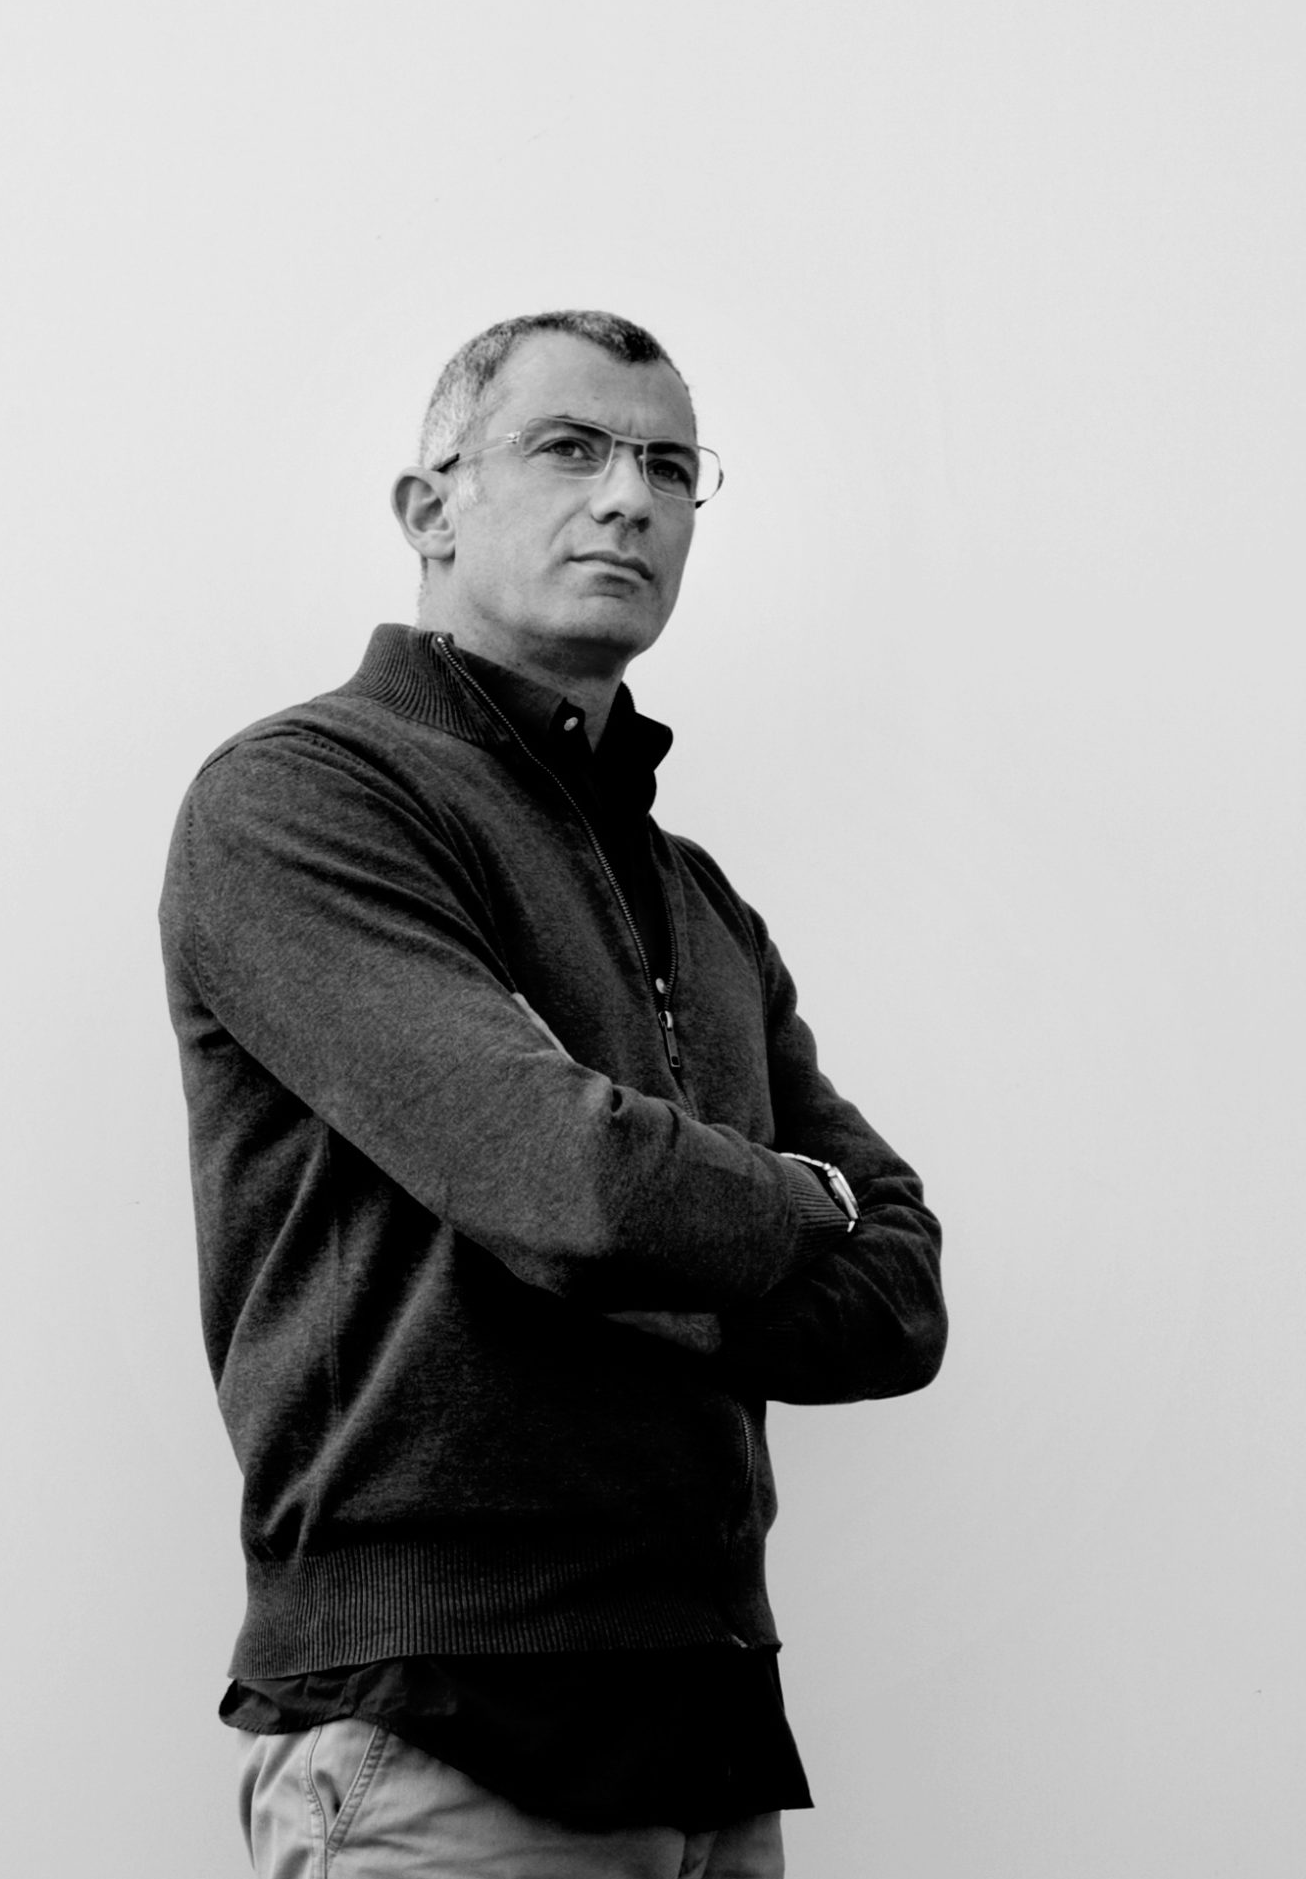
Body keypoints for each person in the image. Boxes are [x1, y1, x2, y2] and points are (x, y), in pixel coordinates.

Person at [159, 309, 947, 1879]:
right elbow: (576, 1183)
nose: (629, 497)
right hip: (447, 1728)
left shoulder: (696, 896)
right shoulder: (306, 797)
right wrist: (796, 1202)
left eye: (669, 465)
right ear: (430, 507)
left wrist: (646, 1242)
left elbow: (903, 1296)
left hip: (713, 1737)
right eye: (571, 447)